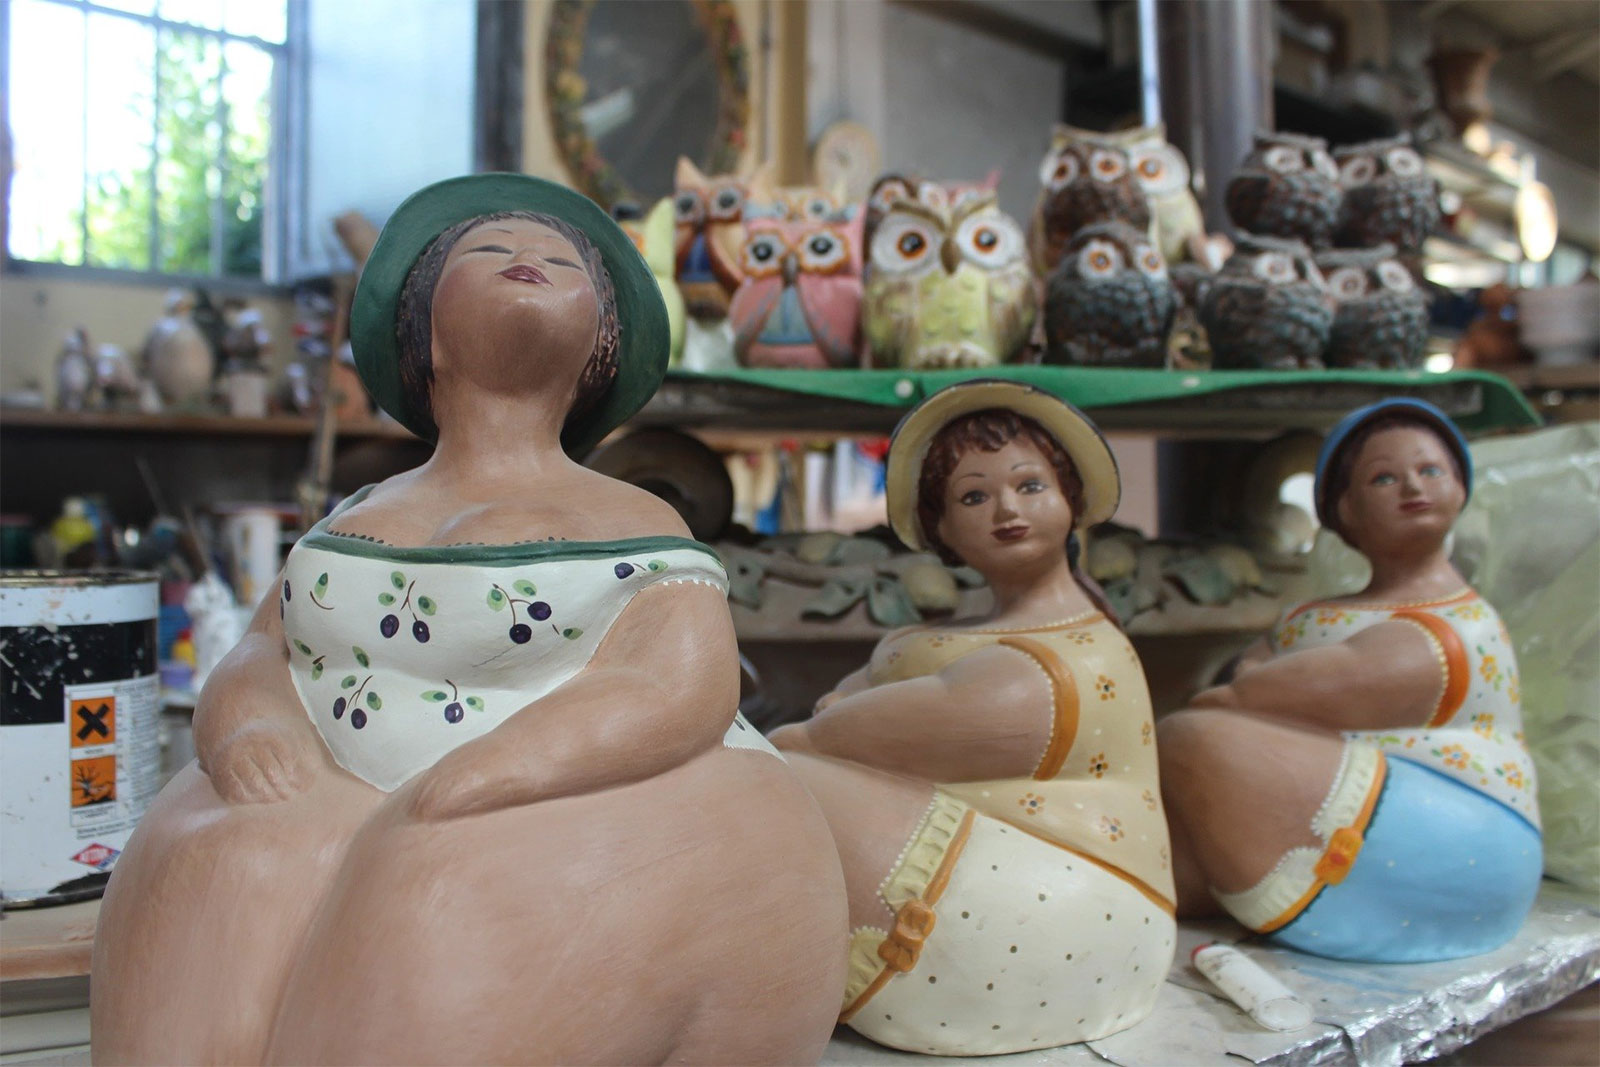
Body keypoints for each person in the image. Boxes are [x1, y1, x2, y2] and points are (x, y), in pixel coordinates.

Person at [91, 174, 847, 1065]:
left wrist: (503, 765)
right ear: (427, 336)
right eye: (489, 251)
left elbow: (680, 684)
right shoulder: (354, 515)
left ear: (596, 349)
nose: (528, 256)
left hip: (553, 794)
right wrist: (249, 723)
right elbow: (264, 645)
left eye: (561, 262)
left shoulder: (638, 520)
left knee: (431, 889)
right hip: (337, 781)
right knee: (221, 855)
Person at [770, 380, 1174, 1056]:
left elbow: (831, 732)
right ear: (943, 530)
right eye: (973, 497)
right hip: (1016, 886)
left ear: (1070, 497)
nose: (1006, 509)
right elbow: (863, 718)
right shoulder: (961, 637)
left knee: (779, 777)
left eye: (1030, 485)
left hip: (1077, 913)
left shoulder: (1063, 658)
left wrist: (820, 729)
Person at [1159, 398, 1541, 962]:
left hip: (1461, 832)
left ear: (1460, 488)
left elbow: (1311, 683)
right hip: (1347, 794)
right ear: (1346, 510)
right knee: (1176, 792)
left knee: (1190, 741)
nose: (1413, 486)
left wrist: (1237, 697)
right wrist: (1247, 691)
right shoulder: (1316, 615)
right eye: (1384, 478)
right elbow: (1255, 672)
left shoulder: (1459, 625)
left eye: (1430, 470)